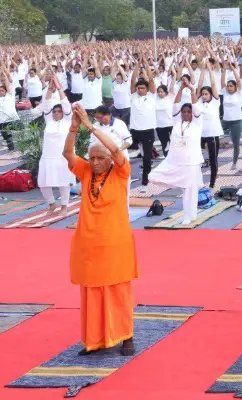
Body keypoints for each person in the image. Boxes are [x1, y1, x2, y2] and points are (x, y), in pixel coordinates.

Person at [63, 104, 138, 356]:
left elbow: (116, 149)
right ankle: (94, 340)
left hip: (115, 244)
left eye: (100, 158)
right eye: (92, 157)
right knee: (91, 293)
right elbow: (67, 154)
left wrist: (89, 126)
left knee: (117, 292)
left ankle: (126, 336)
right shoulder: (85, 172)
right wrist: (73, 129)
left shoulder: (120, 172)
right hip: (88, 243)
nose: (94, 162)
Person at [148, 80, 205, 225]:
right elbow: (176, 104)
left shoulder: (197, 123)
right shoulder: (176, 121)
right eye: (184, 112)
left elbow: (196, 107)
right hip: (174, 161)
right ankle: (176, 184)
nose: (186, 114)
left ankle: (189, 216)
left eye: (189, 112)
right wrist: (180, 88)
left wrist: (192, 90)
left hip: (191, 162)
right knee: (153, 176)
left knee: (189, 191)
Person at [32, 78, 74, 212]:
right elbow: (47, 104)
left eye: (59, 111)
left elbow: (65, 104)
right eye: (54, 111)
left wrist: (60, 88)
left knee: (63, 183)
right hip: (47, 157)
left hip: (62, 157)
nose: (56, 113)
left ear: (63, 113)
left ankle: (64, 205)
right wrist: (50, 90)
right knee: (43, 183)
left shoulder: (67, 120)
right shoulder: (49, 120)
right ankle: (51, 204)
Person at [220, 62, 242, 170]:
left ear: (235, 87)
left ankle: (234, 163)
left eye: (231, 86)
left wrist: (233, 68)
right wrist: (225, 69)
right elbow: (222, 82)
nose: (229, 88)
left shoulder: (238, 93)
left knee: (236, 143)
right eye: (228, 86)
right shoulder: (225, 92)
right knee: (211, 136)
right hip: (225, 121)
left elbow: (238, 80)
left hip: (236, 121)